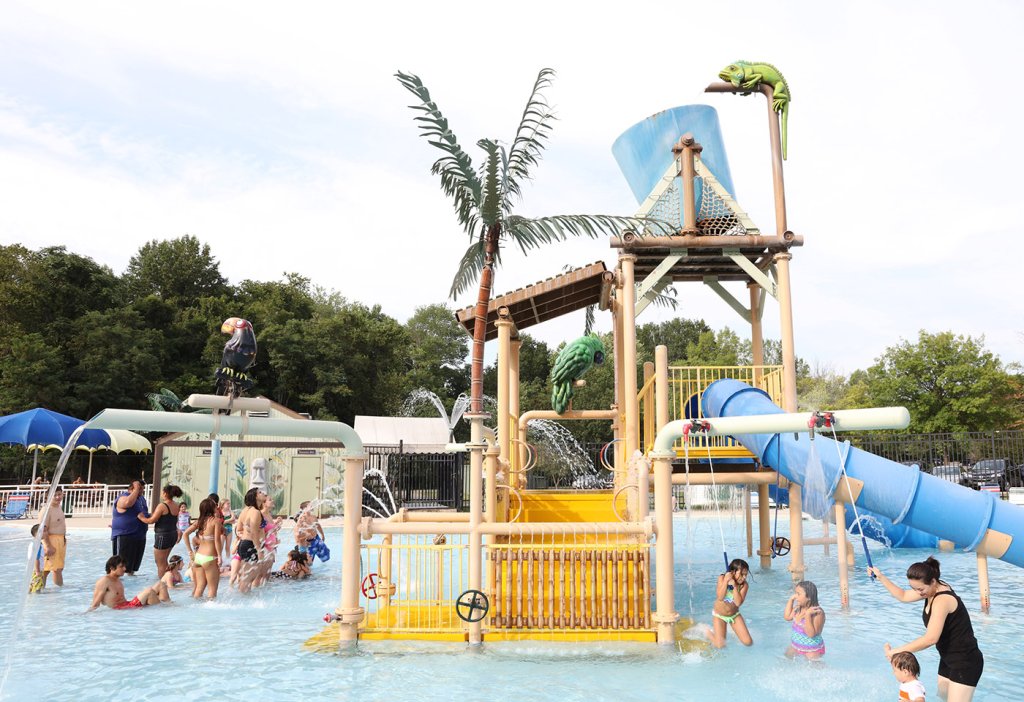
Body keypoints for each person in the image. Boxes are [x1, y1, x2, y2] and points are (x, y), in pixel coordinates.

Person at [870, 558, 984, 701]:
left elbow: (931, 638)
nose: (918, 593)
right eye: (914, 589)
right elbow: (904, 596)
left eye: (920, 589)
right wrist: (881, 577)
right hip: (948, 658)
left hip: (965, 661)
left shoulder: (943, 600)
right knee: (944, 697)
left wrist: (896, 651)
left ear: (933, 582)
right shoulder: (929, 589)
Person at [88, 555, 170, 611]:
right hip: (121, 609)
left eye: (124, 566)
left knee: (161, 584)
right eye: (121, 567)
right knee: (149, 591)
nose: (124, 569)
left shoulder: (117, 579)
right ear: (112, 568)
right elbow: (95, 603)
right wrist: (86, 614)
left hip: (128, 605)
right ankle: (162, 611)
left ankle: (168, 605)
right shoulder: (104, 581)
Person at [137, 484, 183, 578]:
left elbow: (151, 520)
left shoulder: (162, 506)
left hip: (163, 536)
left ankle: (162, 584)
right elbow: (173, 520)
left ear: (165, 493)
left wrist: (141, 517)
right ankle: (170, 580)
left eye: (162, 492)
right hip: (172, 534)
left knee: (160, 563)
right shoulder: (176, 505)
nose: (161, 494)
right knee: (164, 560)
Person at [183, 497, 224, 599]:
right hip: (209, 558)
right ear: (212, 508)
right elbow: (217, 540)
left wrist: (190, 552)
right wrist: (219, 556)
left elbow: (185, 534)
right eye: (215, 505)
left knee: (199, 588)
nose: (217, 507)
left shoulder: (200, 521)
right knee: (212, 591)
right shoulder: (216, 521)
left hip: (198, 558)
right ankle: (210, 614)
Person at [708, 558, 752, 648]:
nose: (744, 577)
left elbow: (738, 603)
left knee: (748, 642)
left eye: (745, 575)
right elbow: (720, 597)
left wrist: (734, 586)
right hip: (719, 615)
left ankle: (723, 632)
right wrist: (726, 582)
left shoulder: (744, 585)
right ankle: (706, 632)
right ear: (732, 572)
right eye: (741, 574)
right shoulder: (722, 578)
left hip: (734, 615)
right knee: (720, 646)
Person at [111, 479, 149, 575]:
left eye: (142, 489)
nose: (141, 491)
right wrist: (136, 490)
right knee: (120, 566)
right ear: (132, 488)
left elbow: (144, 514)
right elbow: (128, 503)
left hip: (139, 536)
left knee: (132, 568)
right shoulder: (123, 497)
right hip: (125, 535)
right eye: (139, 489)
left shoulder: (141, 499)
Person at [784, 580, 825, 659]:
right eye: (795, 593)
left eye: (798, 594)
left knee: (814, 669)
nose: (796, 596)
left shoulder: (817, 613)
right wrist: (791, 600)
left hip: (812, 649)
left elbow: (811, 634)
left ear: (809, 597)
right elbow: (787, 617)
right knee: (786, 658)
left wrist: (807, 616)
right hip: (796, 646)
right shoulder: (798, 608)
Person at [235, 487, 266, 593]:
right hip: (251, 545)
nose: (263, 494)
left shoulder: (245, 510)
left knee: (246, 575)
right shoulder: (255, 512)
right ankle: (243, 599)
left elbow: (238, 529)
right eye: (260, 492)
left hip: (244, 544)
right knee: (249, 577)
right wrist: (258, 549)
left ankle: (243, 596)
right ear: (255, 496)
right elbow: (254, 531)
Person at [40, 487, 67, 587]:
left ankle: (40, 588)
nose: (57, 497)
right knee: (55, 569)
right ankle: (59, 591)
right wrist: (47, 545)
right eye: (54, 495)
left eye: (59, 494)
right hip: (51, 541)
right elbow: (43, 529)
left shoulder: (58, 507)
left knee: (55, 568)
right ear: (48, 497)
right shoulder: (47, 510)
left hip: (60, 540)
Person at [29, 524, 45, 594]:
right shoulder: (37, 545)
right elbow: (36, 558)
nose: (47, 533)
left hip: (32, 569)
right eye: (45, 531)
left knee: (32, 586)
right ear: (38, 534)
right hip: (37, 570)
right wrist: (38, 571)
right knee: (37, 589)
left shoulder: (34, 543)